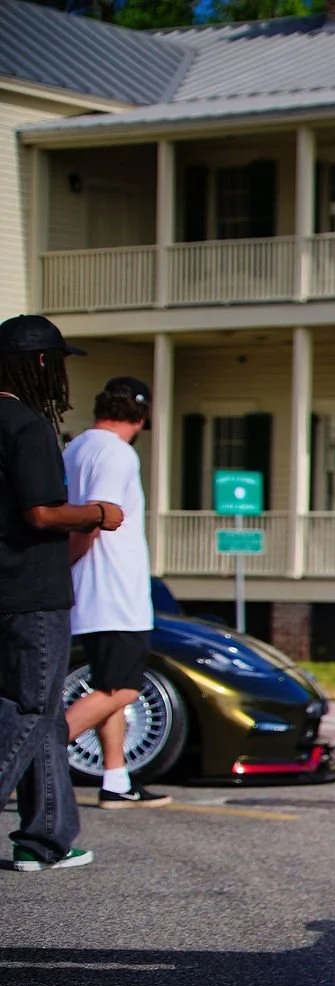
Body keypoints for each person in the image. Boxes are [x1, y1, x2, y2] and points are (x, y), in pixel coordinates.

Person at [1, 315, 124, 872]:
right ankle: (41, 835)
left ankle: (44, 837)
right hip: (32, 594)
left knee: (44, 713)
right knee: (30, 708)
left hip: (7, 590)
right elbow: (43, 512)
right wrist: (100, 512)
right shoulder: (26, 426)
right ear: (43, 364)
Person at [63, 377, 169, 809]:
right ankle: (31, 751)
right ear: (141, 418)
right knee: (124, 689)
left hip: (90, 591)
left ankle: (115, 780)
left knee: (109, 683)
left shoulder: (76, 447)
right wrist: (68, 562)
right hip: (113, 591)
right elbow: (95, 517)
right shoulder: (117, 453)